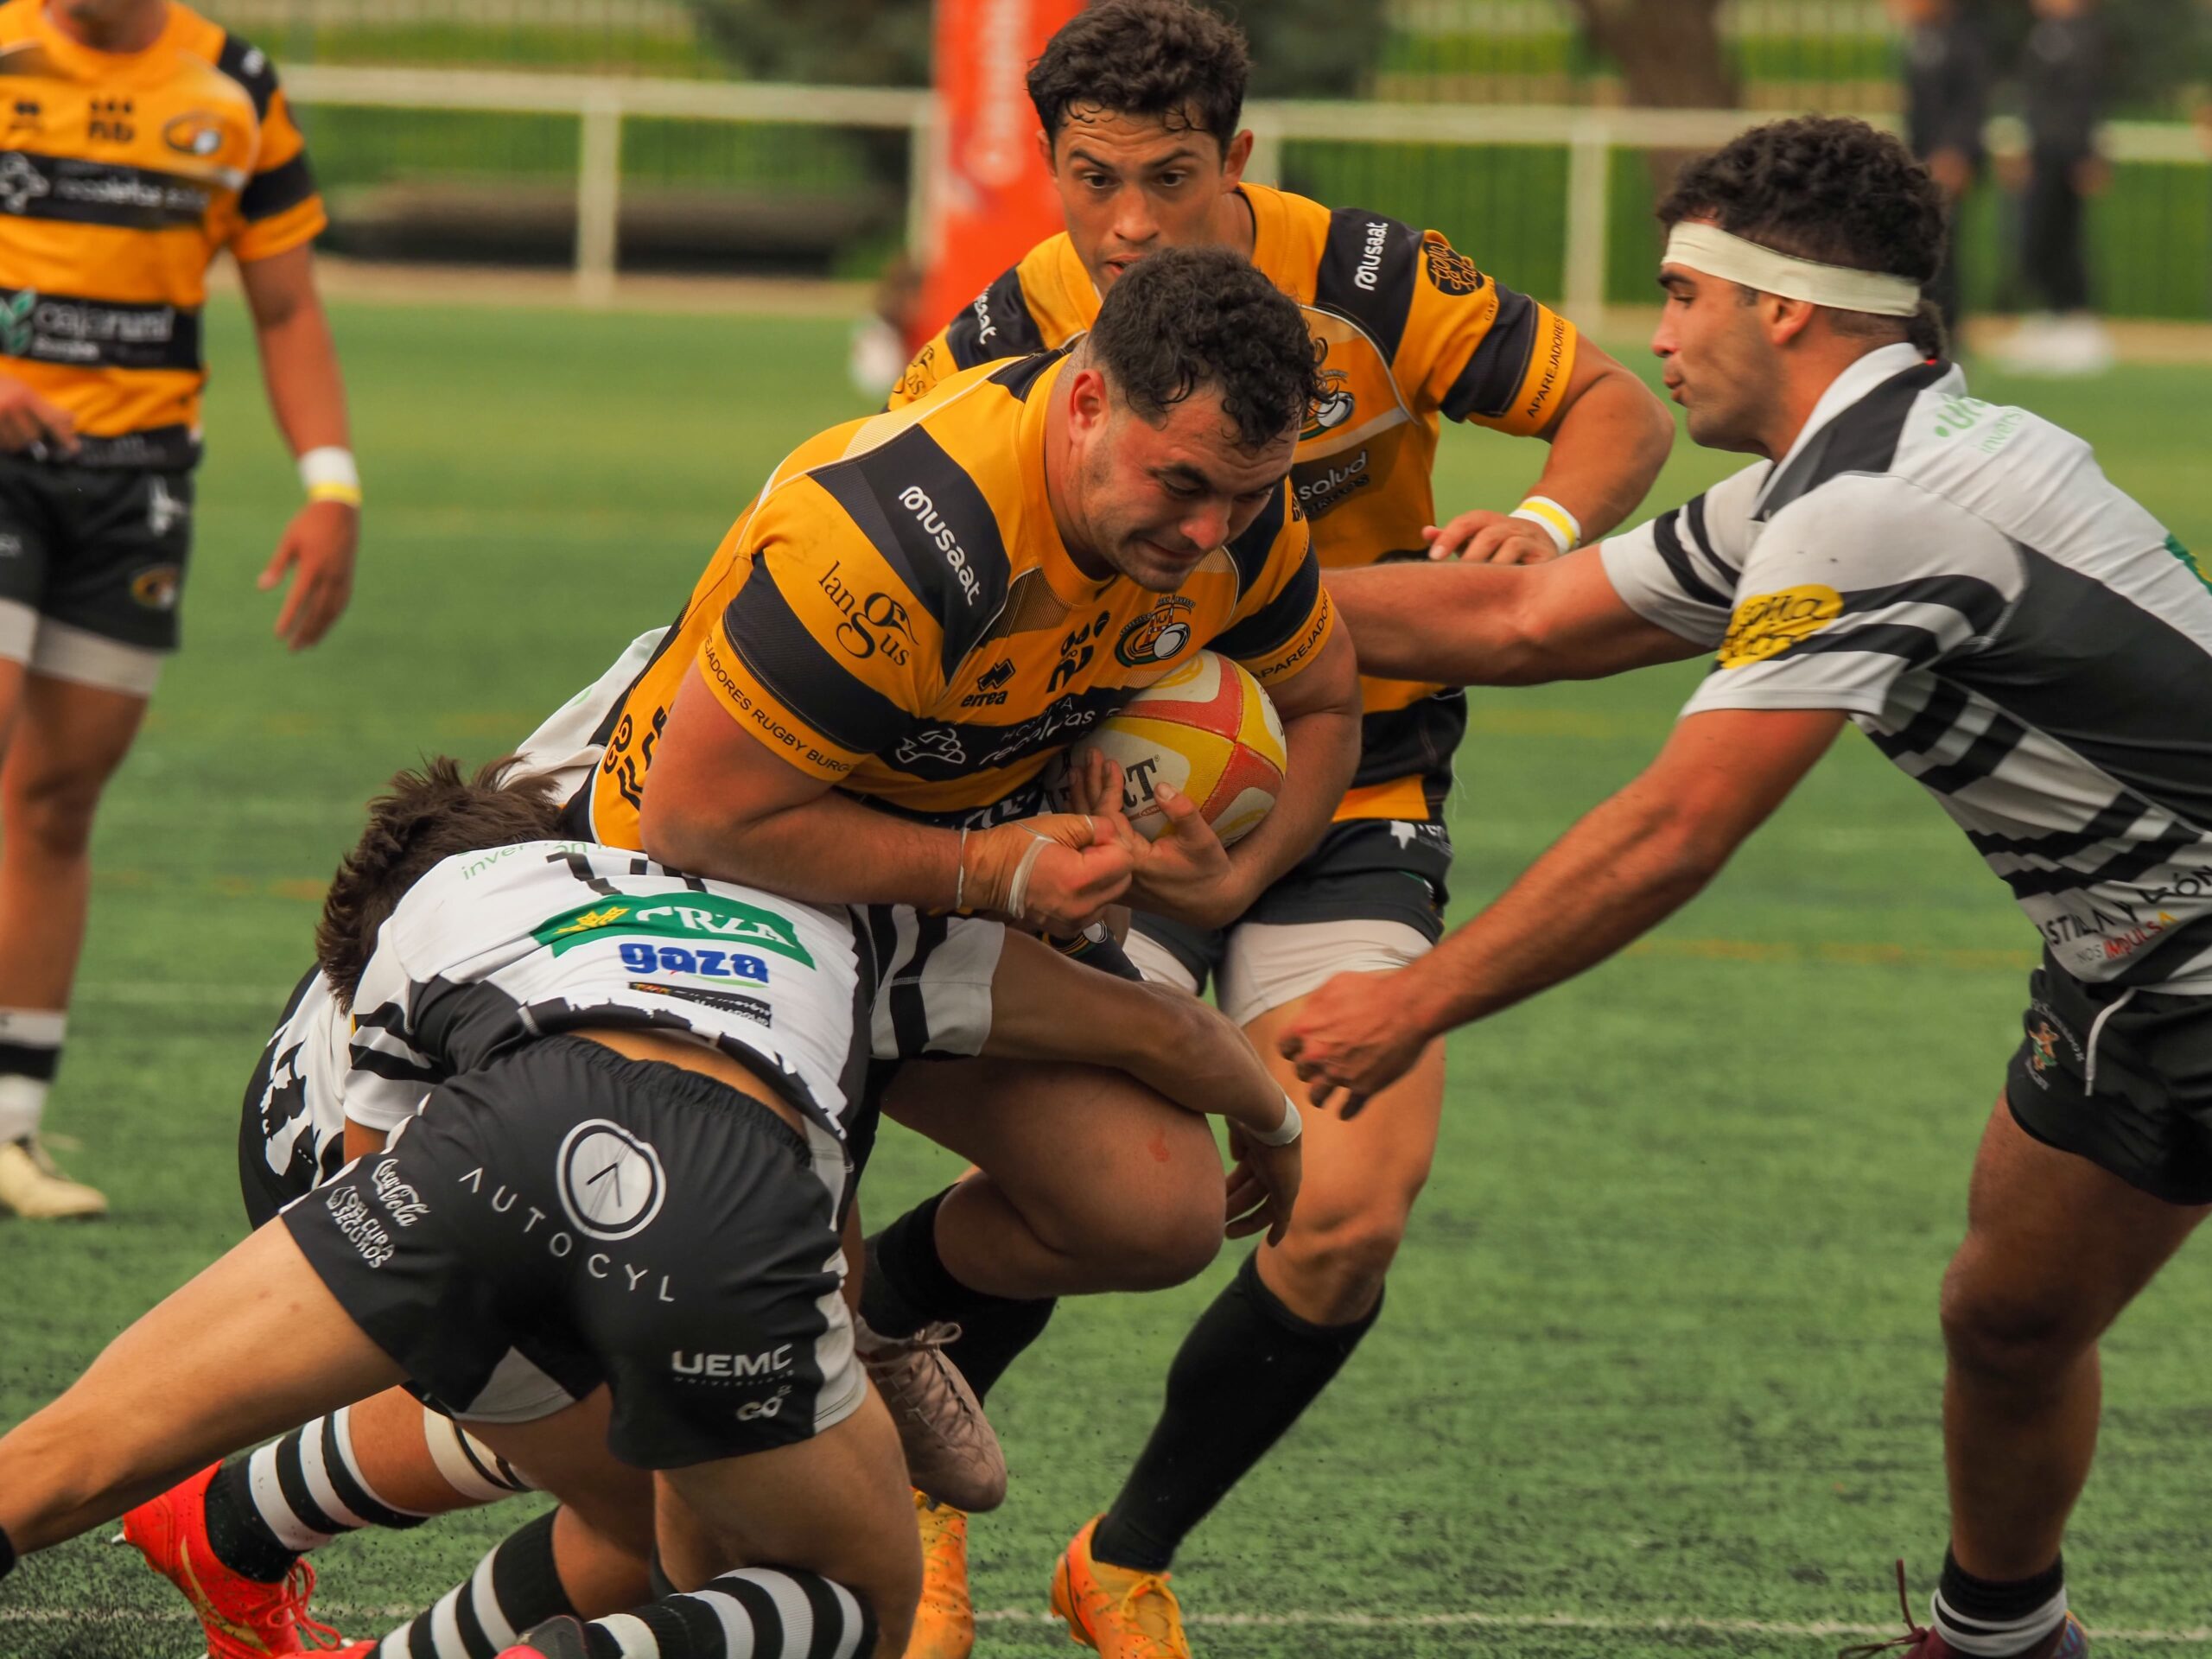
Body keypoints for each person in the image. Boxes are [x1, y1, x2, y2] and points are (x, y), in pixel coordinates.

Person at [1288, 113, 2212, 1658]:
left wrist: (1413, 1002)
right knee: (2009, 1320)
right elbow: (1520, 629)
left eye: (1678, 297)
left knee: (2013, 1319)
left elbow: (1673, 831)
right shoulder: (1831, 484)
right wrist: (1179, 588)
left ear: (1780, 303)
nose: (1655, 340)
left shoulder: (1877, 512)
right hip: (2127, 976)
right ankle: (2004, 1641)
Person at [880, 3, 1674, 1650]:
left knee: (1346, 1220)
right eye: (1091, 180)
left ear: (1237, 159)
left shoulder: (1371, 283)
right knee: (1109, 1186)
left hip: (1357, 787)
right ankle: (917, 1499)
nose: (1128, 225)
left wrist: (1539, 520)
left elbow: (1614, 405)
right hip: (1114, 805)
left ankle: (1127, 1556)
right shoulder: (1001, 333)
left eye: (1170, 178)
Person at [0, 756, 1304, 1659]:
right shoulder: (840, 907)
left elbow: (376, 1204)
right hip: (730, 1189)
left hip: (480, 1153)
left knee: (64, 1457)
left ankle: (231, 1521)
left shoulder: (438, 914)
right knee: (834, 1593)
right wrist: (1278, 1130)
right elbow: (1160, 1031)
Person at [562, 240, 1362, 1657]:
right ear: (1083, 402)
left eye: (1244, 498)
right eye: (1179, 485)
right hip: (704, 907)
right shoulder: (896, 535)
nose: (1207, 533)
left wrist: (1228, 872)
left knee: (1157, 1210)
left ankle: (878, 1314)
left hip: (926, 896)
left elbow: (1328, 699)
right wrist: (989, 866)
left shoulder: (1239, 520)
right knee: (745, 1471)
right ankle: (246, 1523)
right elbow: (699, 818)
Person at [0, 0, 359, 1218]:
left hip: (135, 487)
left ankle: (11, 1129)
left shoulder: (235, 87)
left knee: (57, 798)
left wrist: (331, 484)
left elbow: (286, 307)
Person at [1997, 0, 2113, 377]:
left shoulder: (2086, 36)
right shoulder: (2041, 34)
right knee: (2036, 239)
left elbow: (2088, 99)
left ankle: (2078, 325)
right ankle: (2051, 318)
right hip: (2043, 150)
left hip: (2067, 152)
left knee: (2064, 238)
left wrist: (2086, 153)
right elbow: (2032, 99)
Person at [1890, 0, 1992, 334]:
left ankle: (1947, 335)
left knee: (1943, 253)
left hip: (1947, 162)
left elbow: (1972, 103)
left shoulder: (1964, 39)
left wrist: (1957, 152)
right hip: (1920, 161)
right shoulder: (1921, 40)